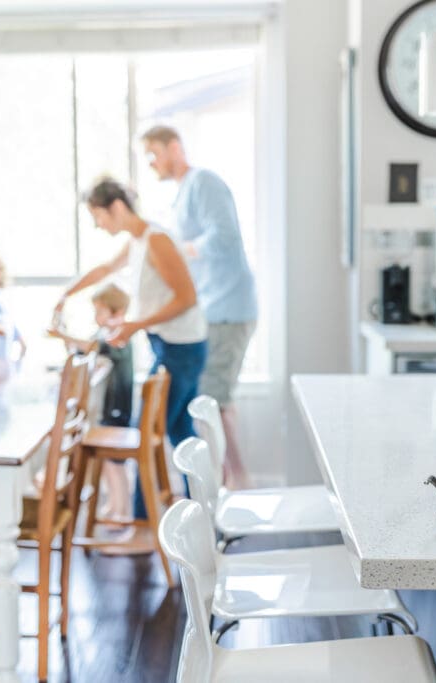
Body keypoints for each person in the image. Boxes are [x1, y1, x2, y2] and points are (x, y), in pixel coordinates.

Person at [54, 178, 207, 519]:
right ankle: (202, 506)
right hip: (170, 345)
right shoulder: (138, 241)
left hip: (181, 349)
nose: (98, 224)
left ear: (117, 207)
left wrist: (136, 325)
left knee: (145, 434)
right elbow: (105, 269)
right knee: (180, 431)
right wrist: (67, 293)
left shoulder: (157, 240)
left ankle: (143, 520)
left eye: (98, 215)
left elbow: (187, 298)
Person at [141, 125, 257, 489]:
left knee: (214, 400)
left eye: (154, 153)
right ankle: (228, 483)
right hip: (214, 309)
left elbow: (224, 236)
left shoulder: (203, 182)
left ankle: (237, 485)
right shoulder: (183, 194)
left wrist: (179, 251)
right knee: (212, 399)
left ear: (175, 147)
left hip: (228, 308)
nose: (151, 163)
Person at [48, 283, 133, 521]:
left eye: (100, 311)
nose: (96, 317)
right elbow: (83, 352)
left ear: (117, 312)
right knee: (109, 464)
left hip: (116, 410)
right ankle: (115, 507)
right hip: (108, 411)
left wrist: (62, 335)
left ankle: (121, 511)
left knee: (115, 465)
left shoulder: (120, 336)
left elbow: (94, 347)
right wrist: (64, 335)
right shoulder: (103, 334)